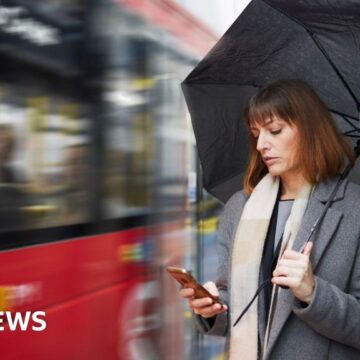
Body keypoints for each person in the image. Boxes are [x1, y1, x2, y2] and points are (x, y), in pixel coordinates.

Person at [180, 80, 360, 359]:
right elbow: (238, 305)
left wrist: (313, 292)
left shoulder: (353, 208)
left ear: (310, 130)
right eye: (256, 133)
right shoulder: (240, 207)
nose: (262, 144)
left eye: (274, 130)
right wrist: (213, 308)